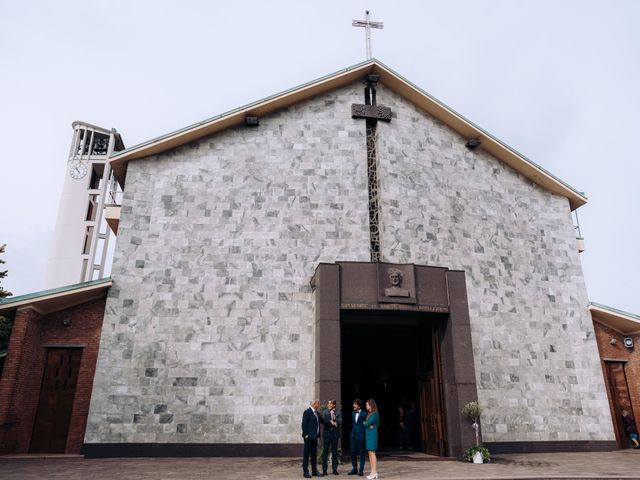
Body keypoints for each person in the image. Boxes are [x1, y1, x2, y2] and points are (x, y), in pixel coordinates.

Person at [302, 399, 323, 478]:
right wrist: (306, 435)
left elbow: (323, 421)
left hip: (315, 437)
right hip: (308, 438)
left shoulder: (317, 413)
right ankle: (305, 472)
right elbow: (304, 425)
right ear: (315, 404)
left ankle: (314, 471)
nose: (319, 405)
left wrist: (331, 422)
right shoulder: (307, 412)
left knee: (314, 455)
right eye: (318, 404)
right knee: (306, 455)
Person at [321, 399, 343, 475]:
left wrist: (334, 418)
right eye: (328, 403)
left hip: (335, 435)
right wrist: (332, 423)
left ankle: (334, 469)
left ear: (334, 405)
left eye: (330, 404)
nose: (329, 405)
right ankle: (324, 470)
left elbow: (340, 421)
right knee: (325, 452)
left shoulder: (338, 412)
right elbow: (324, 421)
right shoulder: (325, 412)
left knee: (334, 452)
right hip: (327, 435)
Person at [348, 398, 367, 476]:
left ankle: (361, 470)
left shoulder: (364, 414)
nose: (353, 405)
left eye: (355, 404)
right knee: (352, 452)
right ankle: (354, 469)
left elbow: (366, 424)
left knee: (362, 453)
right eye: (353, 404)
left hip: (361, 435)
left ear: (359, 406)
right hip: (353, 436)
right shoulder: (352, 413)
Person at [363, 399, 380, 480]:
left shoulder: (374, 413)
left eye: (367, 405)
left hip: (372, 434)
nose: (366, 406)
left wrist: (365, 423)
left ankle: (374, 472)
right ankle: (372, 472)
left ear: (371, 405)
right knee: (369, 452)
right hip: (368, 434)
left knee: (372, 452)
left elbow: (367, 423)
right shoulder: (369, 414)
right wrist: (366, 424)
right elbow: (367, 424)